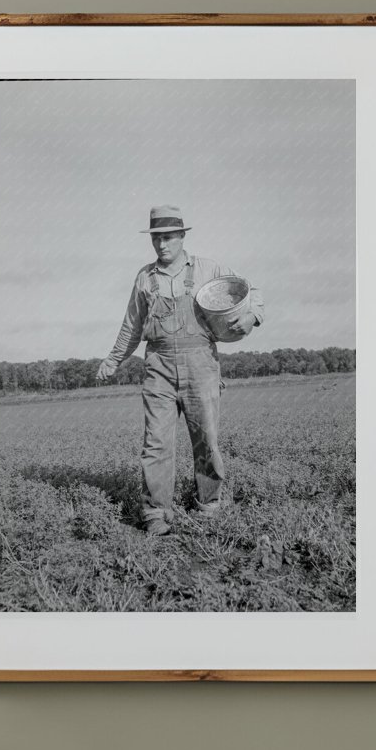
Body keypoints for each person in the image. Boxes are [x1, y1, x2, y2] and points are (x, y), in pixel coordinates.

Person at [95, 205, 263, 535]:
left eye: (169, 238)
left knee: (206, 439)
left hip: (201, 365)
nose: (162, 245)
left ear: (182, 236)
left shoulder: (209, 268)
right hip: (157, 367)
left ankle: (209, 505)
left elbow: (249, 291)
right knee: (156, 443)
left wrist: (253, 315)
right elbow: (131, 326)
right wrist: (113, 360)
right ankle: (156, 514)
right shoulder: (144, 278)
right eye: (157, 238)